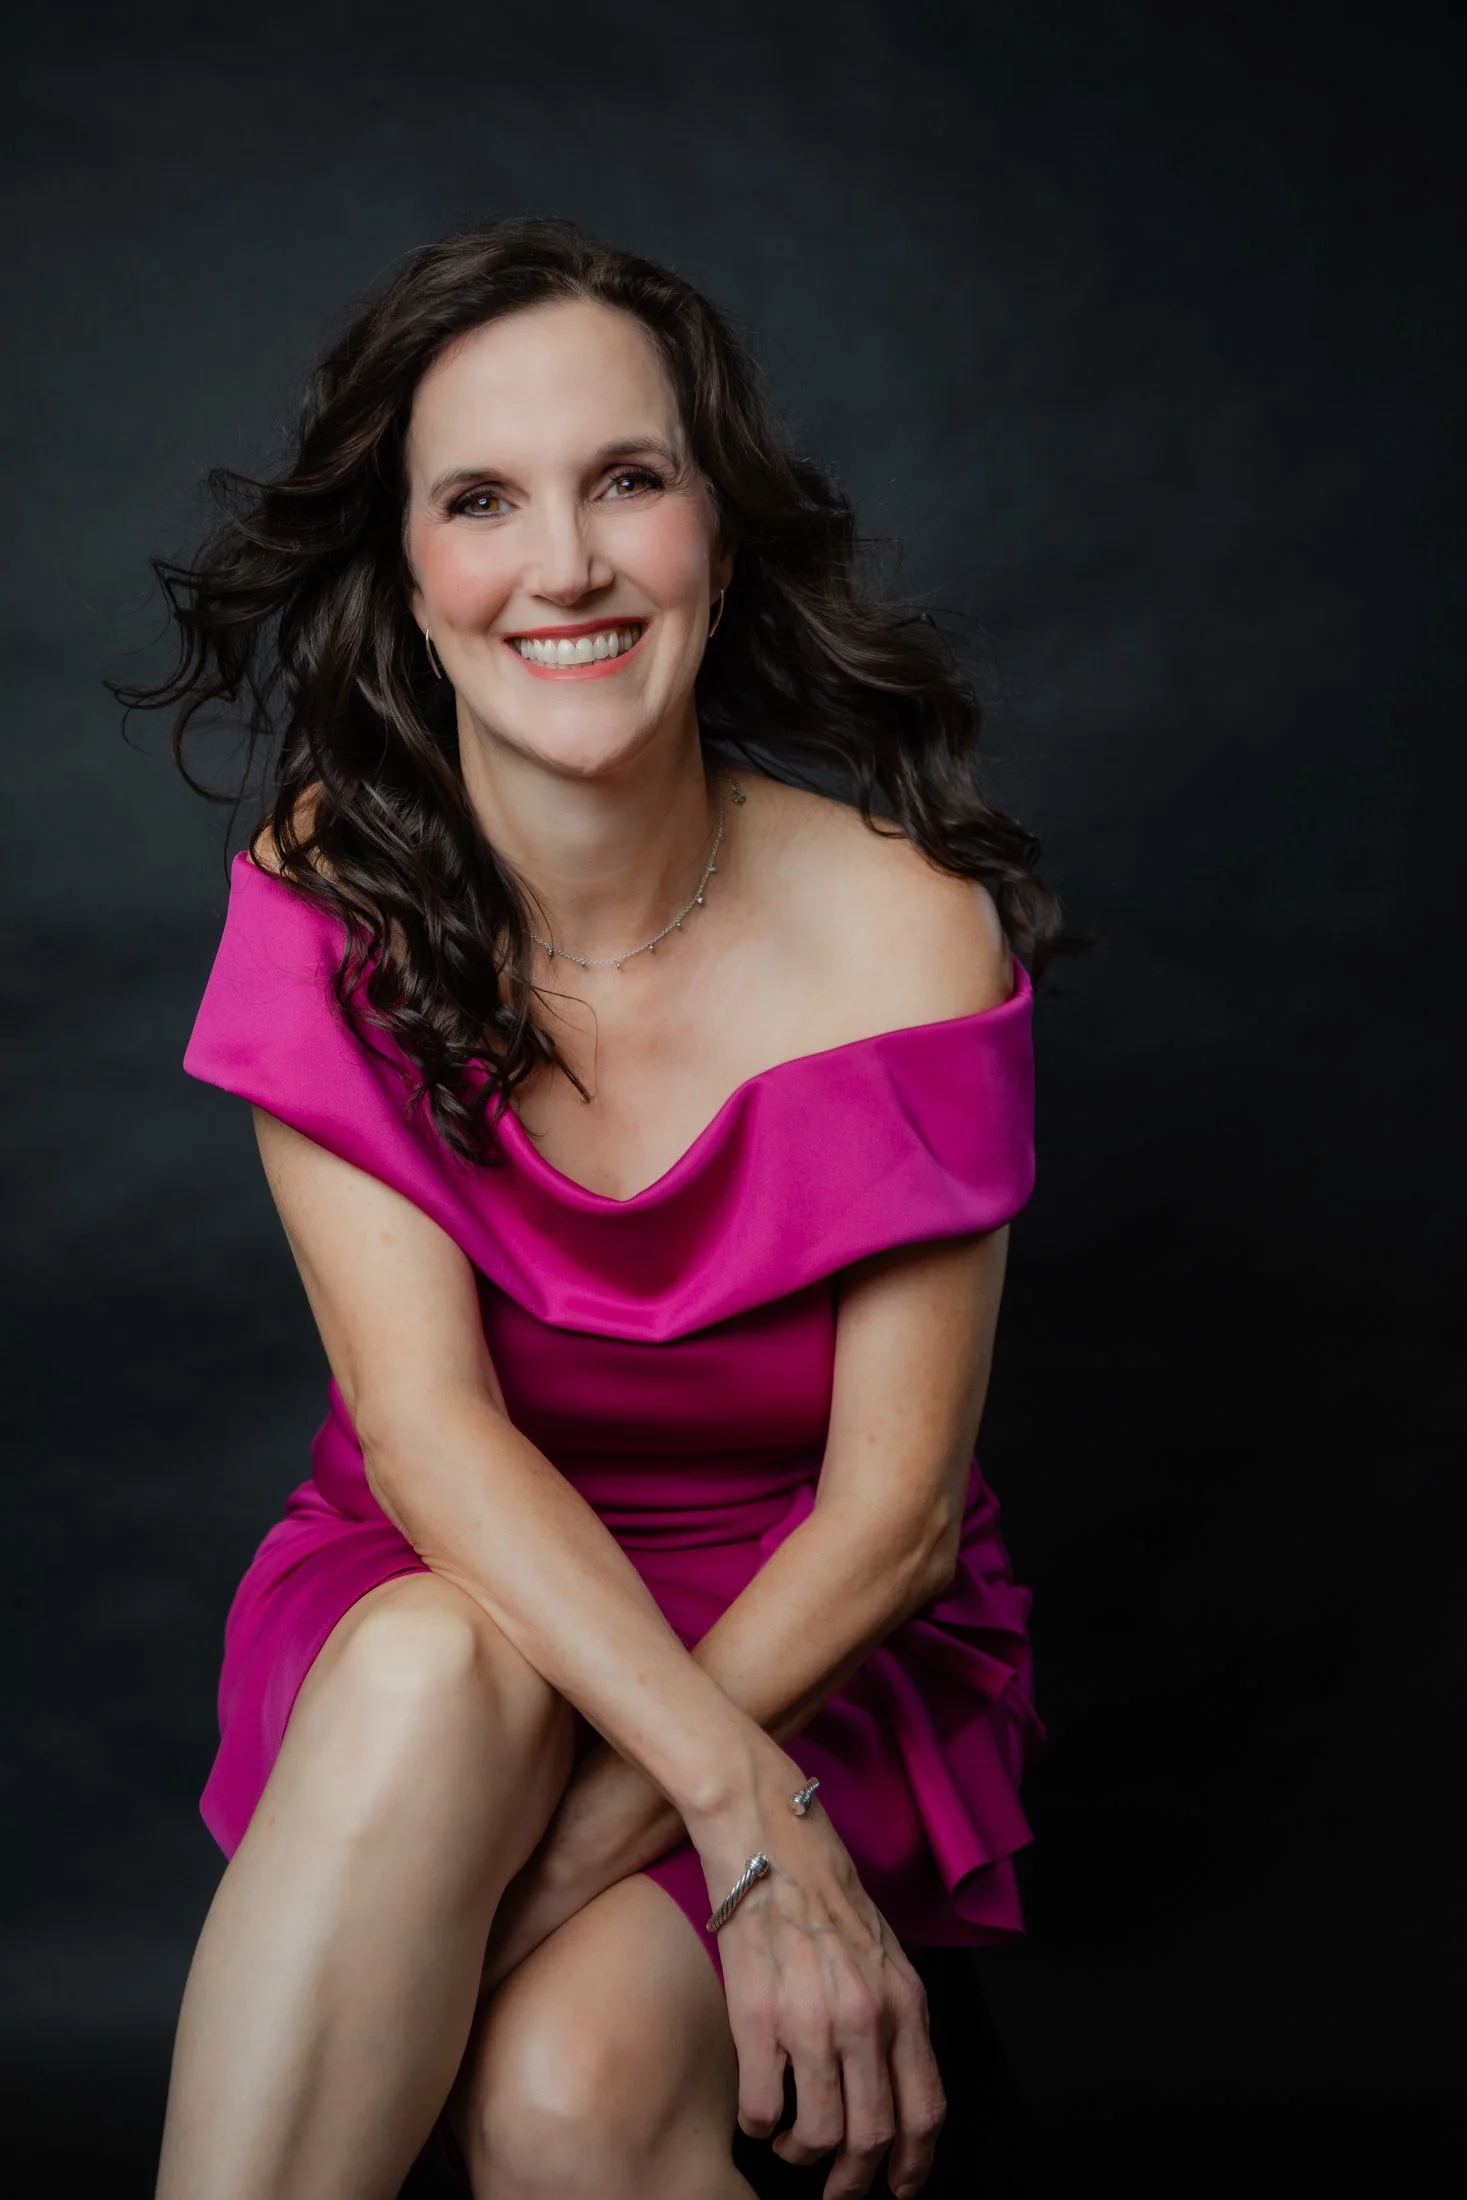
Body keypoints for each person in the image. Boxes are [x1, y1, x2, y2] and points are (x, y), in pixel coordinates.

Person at [124, 214, 1065, 2200]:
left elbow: (891, 1516)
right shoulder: (331, 894)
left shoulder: (908, 923)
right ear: (407, 568)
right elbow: (427, 1429)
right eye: (481, 499)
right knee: (419, 1664)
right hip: (452, 1583)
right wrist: (737, 1812)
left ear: (717, 527)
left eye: (625, 480)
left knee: (559, 2087)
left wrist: (591, 1860)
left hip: (814, 1626)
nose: (563, 565)